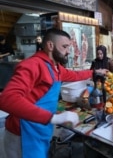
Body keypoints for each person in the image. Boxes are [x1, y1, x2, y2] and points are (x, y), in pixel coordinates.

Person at [0, 28, 107, 158]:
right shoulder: (32, 65)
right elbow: (7, 99)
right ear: (50, 45)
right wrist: (54, 118)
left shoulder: (55, 67)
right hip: (22, 134)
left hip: (40, 129)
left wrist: (94, 73)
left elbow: (73, 74)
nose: (68, 51)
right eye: (65, 47)